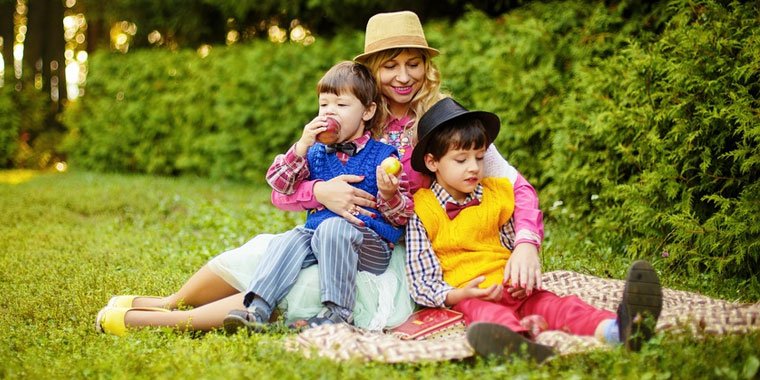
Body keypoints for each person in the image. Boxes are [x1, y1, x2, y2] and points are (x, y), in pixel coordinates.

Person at [94, 10, 541, 335]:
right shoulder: (347, 114)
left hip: (399, 249)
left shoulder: (445, 120)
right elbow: (284, 190)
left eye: (413, 63)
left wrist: (525, 245)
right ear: (369, 71)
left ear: (428, 66)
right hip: (330, 226)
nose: (404, 77)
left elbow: (514, 187)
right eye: (389, 65)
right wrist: (321, 191)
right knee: (266, 253)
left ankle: (167, 321)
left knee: (305, 284)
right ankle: (167, 302)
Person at [405, 97, 664, 363]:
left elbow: (510, 245)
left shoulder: (497, 194)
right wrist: (461, 294)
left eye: (480, 157)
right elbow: (423, 281)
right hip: (473, 294)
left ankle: (620, 331)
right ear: (432, 162)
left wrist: (520, 279)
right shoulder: (422, 210)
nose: (474, 167)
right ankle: (518, 345)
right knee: (489, 316)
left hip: (513, 287)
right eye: (461, 160)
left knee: (561, 305)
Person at [221, 60, 413, 332]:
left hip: (370, 246)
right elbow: (279, 184)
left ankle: (338, 312)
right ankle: (257, 309)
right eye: (324, 105)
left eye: (341, 106)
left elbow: (402, 216)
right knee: (290, 237)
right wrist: (300, 147)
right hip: (319, 236)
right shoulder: (313, 153)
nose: (329, 113)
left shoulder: (384, 156)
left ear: (367, 111)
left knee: (334, 228)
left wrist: (389, 193)